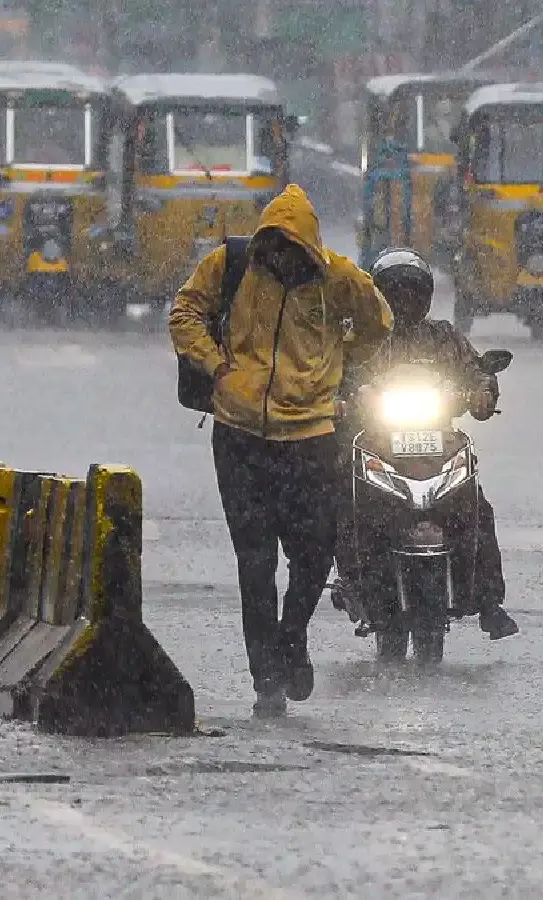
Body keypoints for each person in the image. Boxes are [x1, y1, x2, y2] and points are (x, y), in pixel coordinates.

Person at [169, 184, 394, 718]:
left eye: (294, 254)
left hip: (311, 438)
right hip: (240, 436)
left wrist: (338, 362)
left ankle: (292, 637)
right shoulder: (232, 263)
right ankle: (265, 675)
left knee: (314, 554)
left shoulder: (338, 277)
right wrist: (219, 367)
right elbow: (185, 313)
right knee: (255, 562)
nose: (282, 263)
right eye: (275, 252)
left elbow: (378, 324)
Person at [333, 248, 519, 640]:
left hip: (438, 445)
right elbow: (336, 377)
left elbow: (475, 372)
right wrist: (345, 401)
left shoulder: (443, 337)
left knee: (477, 507)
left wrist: (483, 391)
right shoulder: (362, 339)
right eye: (394, 293)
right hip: (377, 443)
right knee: (342, 502)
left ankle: (488, 601)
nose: (404, 302)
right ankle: (351, 580)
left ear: (426, 297)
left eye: (412, 293)